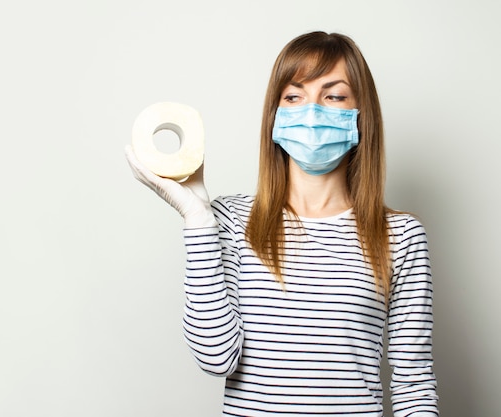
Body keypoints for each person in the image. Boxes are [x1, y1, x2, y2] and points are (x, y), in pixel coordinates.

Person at [125, 31, 438, 417]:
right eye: (293, 96)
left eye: (334, 95)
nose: (311, 111)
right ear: (275, 115)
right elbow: (216, 359)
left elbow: (414, 383)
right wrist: (197, 219)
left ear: (361, 114)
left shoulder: (401, 236)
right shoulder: (230, 219)